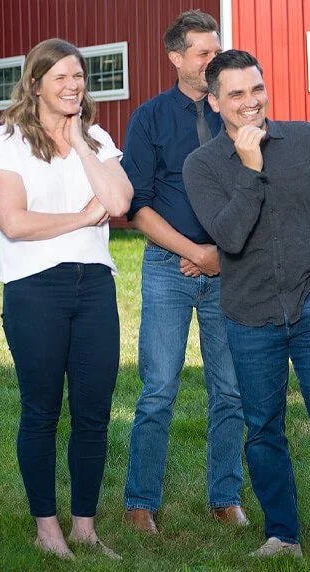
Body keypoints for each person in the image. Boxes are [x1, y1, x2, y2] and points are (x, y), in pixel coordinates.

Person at [183, 49, 310, 569]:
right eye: (236, 94)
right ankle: (282, 533)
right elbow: (228, 237)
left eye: (256, 89)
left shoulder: (306, 141)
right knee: (264, 428)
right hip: (248, 317)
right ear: (214, 102)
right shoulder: (201, 166)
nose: (251, 102)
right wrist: (251, 169)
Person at [0, 38, 133, 560]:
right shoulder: (7, 140)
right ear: (35, 83)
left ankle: (85, 527)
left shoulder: (97, 137)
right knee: (42, 410)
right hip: (34, 288)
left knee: (93, 413)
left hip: (95, 287)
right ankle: (47, 528)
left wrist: (81, 143)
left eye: (79, 77)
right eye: (61, 77)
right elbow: (14, 222)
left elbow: (119, 201)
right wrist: (82, 218)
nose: (73, 86)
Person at [121, 10, 247, 533]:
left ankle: (225, 497)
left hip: (230, 268)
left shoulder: (236, 114)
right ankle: (140, 503)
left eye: (217, 49)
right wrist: (194, 252)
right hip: (167, 266)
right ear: (176, 58)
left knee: (231, 390)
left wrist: (221, 253)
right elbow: (136, 206)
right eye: (203, 52)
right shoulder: (149, 118)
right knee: (158, 389)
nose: (214, 59)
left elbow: (254, 190)